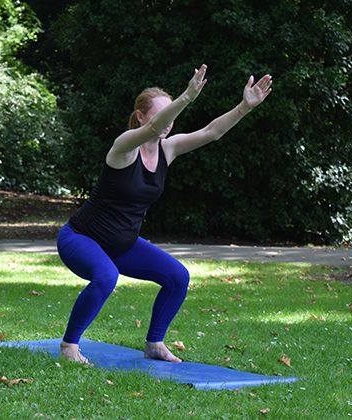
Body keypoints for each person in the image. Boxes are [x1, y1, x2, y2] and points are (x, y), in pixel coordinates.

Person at [57, 64, 272, 364]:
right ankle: (69, 346)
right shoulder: (124, 147)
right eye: (161, 113)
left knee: (177, 276)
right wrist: (186, 97)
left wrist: (244, 107)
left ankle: (154, 343)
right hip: (80, 238)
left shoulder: (166, 150)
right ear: (142, 116)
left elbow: (212, 132)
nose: (167, 121)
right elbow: (155, 128)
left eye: (170, 112)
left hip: (122, 245)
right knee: (106, 276)